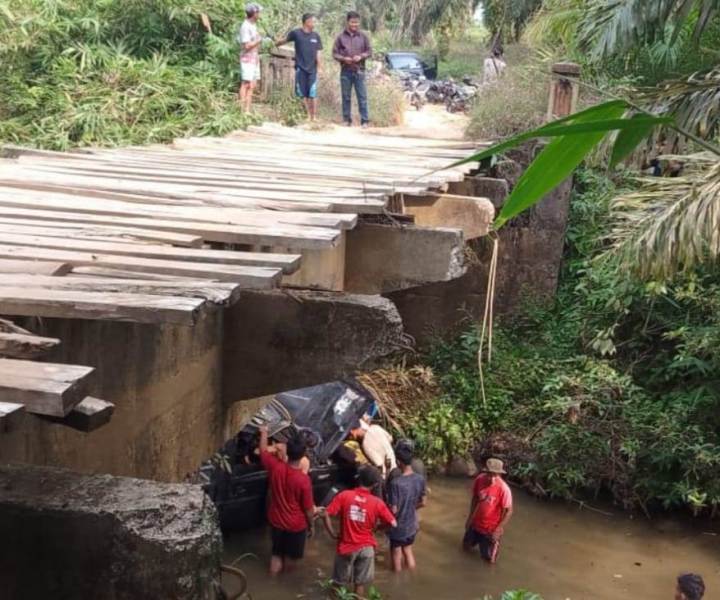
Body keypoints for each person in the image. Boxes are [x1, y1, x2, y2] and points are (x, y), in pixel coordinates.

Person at [323, 465, 397, 597]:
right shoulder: (377, 503)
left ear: (358, 479)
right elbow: (393, 523)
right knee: (360, 585)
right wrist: (378, 529)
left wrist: (332, 533)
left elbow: (325, 513)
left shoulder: (344, 495)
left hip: (346, 547)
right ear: (374, 485)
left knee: (338, 583)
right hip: (366, 549)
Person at [258, 424, 316, 574]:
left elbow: (263, 451)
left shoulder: (275, 467)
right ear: (303, 454)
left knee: (276, 554)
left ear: (287, 451)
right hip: (296, 526)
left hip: (276, 521)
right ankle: (285, 586)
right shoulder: (303, 481)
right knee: (291, 559)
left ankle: (272, 582)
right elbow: (309, 510)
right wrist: (312, 525)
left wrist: (264, 432)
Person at [462, 458, 513, 564]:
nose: (492, 478)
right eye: (489, 474)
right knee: (465, 548)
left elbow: (509, 511)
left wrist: (498, 530)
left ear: (499, 474)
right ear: (486, 472)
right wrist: (469, 519)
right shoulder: (479, 480)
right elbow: (475, 499)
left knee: (489, 561)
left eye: (495, 475)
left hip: (490, 530)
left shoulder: (504, 489)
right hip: (475, 525)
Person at [386, 445, 426, 572]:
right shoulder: (420, 479)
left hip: (399, 526)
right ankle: (412, 577)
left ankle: (397, 584)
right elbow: (423, 502)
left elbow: (394, 510)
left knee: (396, 552)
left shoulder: (396, 483)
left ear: (398, 462)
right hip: (412, 525)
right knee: (408, 550)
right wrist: (410, 508)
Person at [276, 14, 323, 121]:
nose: (314, 23)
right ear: (307, 21)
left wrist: (320, 67)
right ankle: (307, 115)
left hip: (312, 69)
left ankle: (314, 116)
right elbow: (285, 40)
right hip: (300, 68)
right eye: (313, 21)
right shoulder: (296, 33)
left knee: (313, 92)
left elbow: (318, 53)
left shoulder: (316, 36)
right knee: (302, 92)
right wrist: (275, 43)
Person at [332, 11, 372, 127]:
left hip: (360, 70)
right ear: (347, 22)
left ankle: (364, 121)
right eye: (352, 22)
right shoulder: (340, 37)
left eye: (357, 22)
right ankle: (347, 120)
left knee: (362, 96)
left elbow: (369, 51)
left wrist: (361, 56)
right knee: (346, 96)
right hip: (346, 71)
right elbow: (334, 54)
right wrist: (344, 59)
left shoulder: (363, 36)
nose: (354, 25)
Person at [237, 3, 266, 113]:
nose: (260, 14)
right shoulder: (245, 26)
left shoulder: (253, 25)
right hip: (247, 59)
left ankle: (247, 111)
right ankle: (241, 111)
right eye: (258, 12)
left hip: (254, 58)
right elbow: (247, 45)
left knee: (252, 85)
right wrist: (259, 40)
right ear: (254, 13)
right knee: (246, 83)